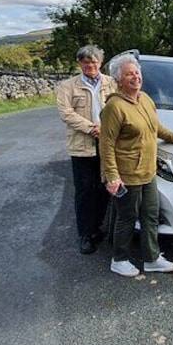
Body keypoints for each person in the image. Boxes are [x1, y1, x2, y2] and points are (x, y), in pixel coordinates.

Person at [99, 53, 173, 277]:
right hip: (127, 174)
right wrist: (112, 177)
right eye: (128, 74)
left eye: (137, 72)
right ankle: (119, 259)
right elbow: (106, 145)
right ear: (119, 80)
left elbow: (157, 128)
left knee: (150, 215)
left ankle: (152, 258)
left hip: (148, 172)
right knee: (126, 217)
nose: (135, 77)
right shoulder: (114, 107)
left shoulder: (145, 99)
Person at [56, 44, 118, 255]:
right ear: (80, 64)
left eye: (94, 62)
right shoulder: (67, 86)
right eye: (86, 62)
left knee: (103, 189)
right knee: (84, 192)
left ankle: (97, 228)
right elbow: (66, 113)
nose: (90, 65)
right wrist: (92, 129)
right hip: (82, 147)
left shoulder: (111, 83)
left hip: (107, 145)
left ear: (100, 63)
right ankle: (85, 234)